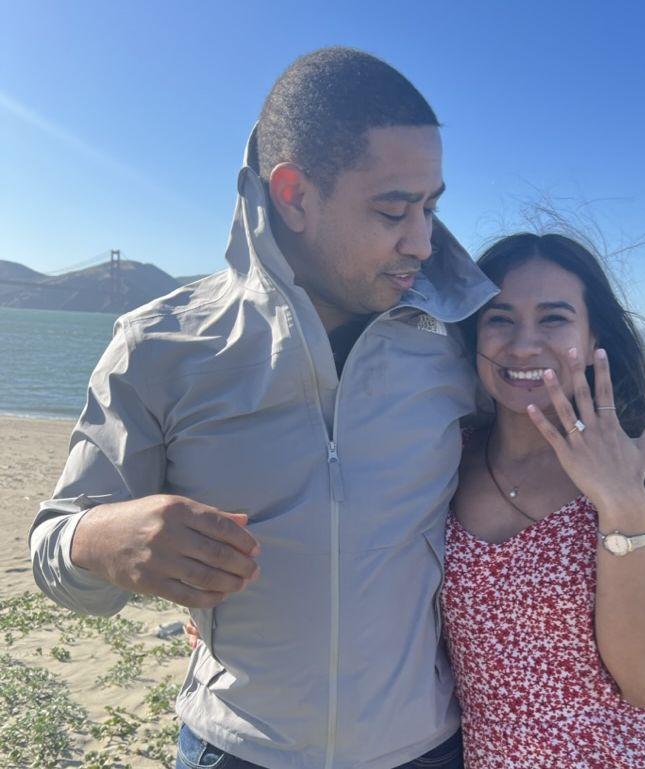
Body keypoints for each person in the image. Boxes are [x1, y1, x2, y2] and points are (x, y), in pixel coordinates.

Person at [28, 47, 498, 769]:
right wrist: (98, 539)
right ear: (293, 194)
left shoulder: (462, 340)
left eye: (431, 206)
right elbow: (55, 548)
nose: (422, 240)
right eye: (393, 209)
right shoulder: (158, 344)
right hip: (234, 748)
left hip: (424, 749)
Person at [441, 233, 645, 768]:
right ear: (473, 334)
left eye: (553, 318)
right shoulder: (444, 457)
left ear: (593, 332)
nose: (524, 345)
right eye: (500, 318)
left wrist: (621, 504)